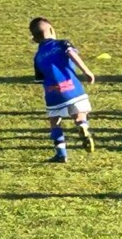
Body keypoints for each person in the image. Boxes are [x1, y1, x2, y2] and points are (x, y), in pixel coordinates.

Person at [31, 18, 96, 163]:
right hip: (73, 89)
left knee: (55, 122)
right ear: (52, 30)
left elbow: (40, 79)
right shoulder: (62, 44)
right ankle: (82, 126)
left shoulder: (37, 57)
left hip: (53, 94)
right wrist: (86, 71)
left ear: (35, 39)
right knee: (79, 115)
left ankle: (61, 153)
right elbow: (72, 54)